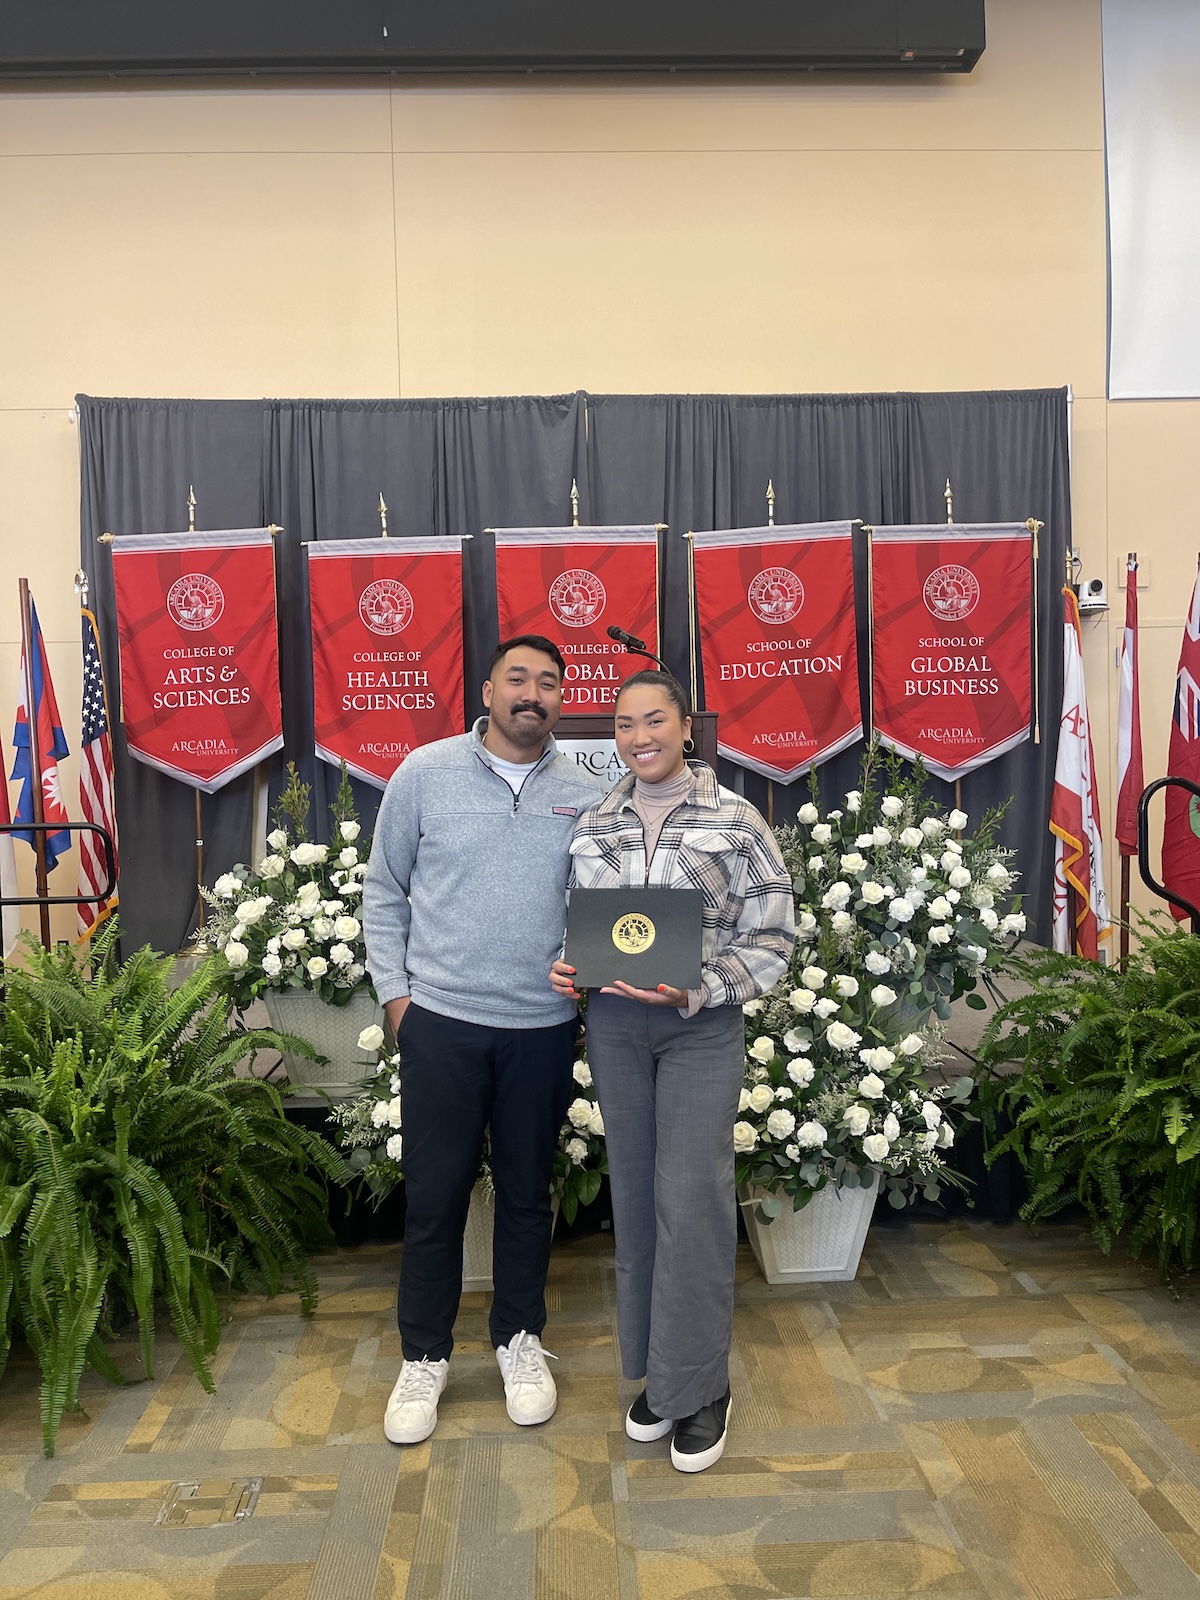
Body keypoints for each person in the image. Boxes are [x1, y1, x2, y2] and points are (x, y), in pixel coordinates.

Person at [550, 670, 795, 1473]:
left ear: (686, 727)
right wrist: (567, 967)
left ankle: (701, 1389)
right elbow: (579, 925)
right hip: (617, 1029)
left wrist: (703, 985)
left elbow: (773, 938)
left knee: (691, 1200)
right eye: (625, 724)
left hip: (699, 1029)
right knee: (640, 1200)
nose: (639, 736)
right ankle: (659, 1374)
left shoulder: (736, 819)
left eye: (655, 720)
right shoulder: (595, 821)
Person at [364, 634, 602, 1447]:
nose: (531, 694)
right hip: (441, 1025)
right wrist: (398, 1001)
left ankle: (519, 1341)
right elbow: (383, 891)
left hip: (539, 1028)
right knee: (434, 1200)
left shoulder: (587, 789)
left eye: (548, 683)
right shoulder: (424, 774)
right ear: (488, 689)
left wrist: (593, 970)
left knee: (529, 1196)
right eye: (517, 679)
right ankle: (424, 1356)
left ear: (562, 700)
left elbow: (601, 900)